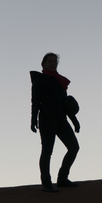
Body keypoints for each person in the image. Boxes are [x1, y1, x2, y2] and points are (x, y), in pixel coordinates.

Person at [30, 52, 80, 192]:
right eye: (49, 61)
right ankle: (46, 183)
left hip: (61, 119)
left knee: (74, 147)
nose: (52, 63)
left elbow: (65, 103)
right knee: (47, 151)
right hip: (46, 119)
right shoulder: (39, 80)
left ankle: (62, 178)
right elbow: (35, 102)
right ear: (44, 64)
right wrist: (33, 120)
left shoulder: (59, 81)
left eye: (54, 61)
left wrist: (75, 120)